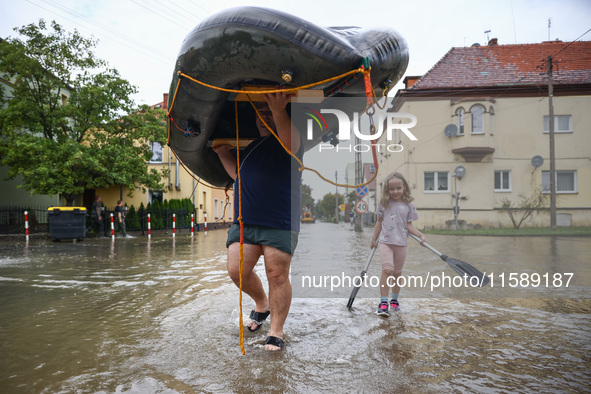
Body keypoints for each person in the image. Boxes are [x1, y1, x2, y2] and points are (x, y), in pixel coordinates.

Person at [213, 91, 303, 351]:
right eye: (259, 112)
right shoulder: (252, 147)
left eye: (267, 111)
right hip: (245, 220)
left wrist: (277, 108)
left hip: (279, 218)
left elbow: (292, 145)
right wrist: (221, 154)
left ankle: (276, 331)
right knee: (236, 270)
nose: (263, 115)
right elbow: (238, 175)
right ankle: (261, 303)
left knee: (277, 275)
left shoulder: (289, 140)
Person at [370, 172, 426, 317]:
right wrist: (373, 238)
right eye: (391, 189)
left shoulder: (409, 206)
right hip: (386, 242)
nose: (395, 191)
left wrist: (420, 235)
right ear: (387, 190)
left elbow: (409, 225)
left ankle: (394, 301)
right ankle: (383, 303)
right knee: (387, 270)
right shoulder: (384, 204)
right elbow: (379, 222)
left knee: (397, 273)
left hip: (401, 243)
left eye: (398, 188)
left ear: (404, 188)